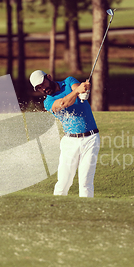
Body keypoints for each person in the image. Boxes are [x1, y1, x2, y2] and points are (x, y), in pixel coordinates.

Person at [30, 70, 100, 198]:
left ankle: (85, 214)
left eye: (42, 84)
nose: (43, 89)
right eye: (38, 88)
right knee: (63, 182)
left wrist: (84, 90)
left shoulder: (68, 81)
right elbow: (63, 103)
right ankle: (56, 211)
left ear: (49, 77)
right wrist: (77, 91)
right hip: (70, 142)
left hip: (91, 139)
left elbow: (78, 88)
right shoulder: (48, 102)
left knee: (85, 183)